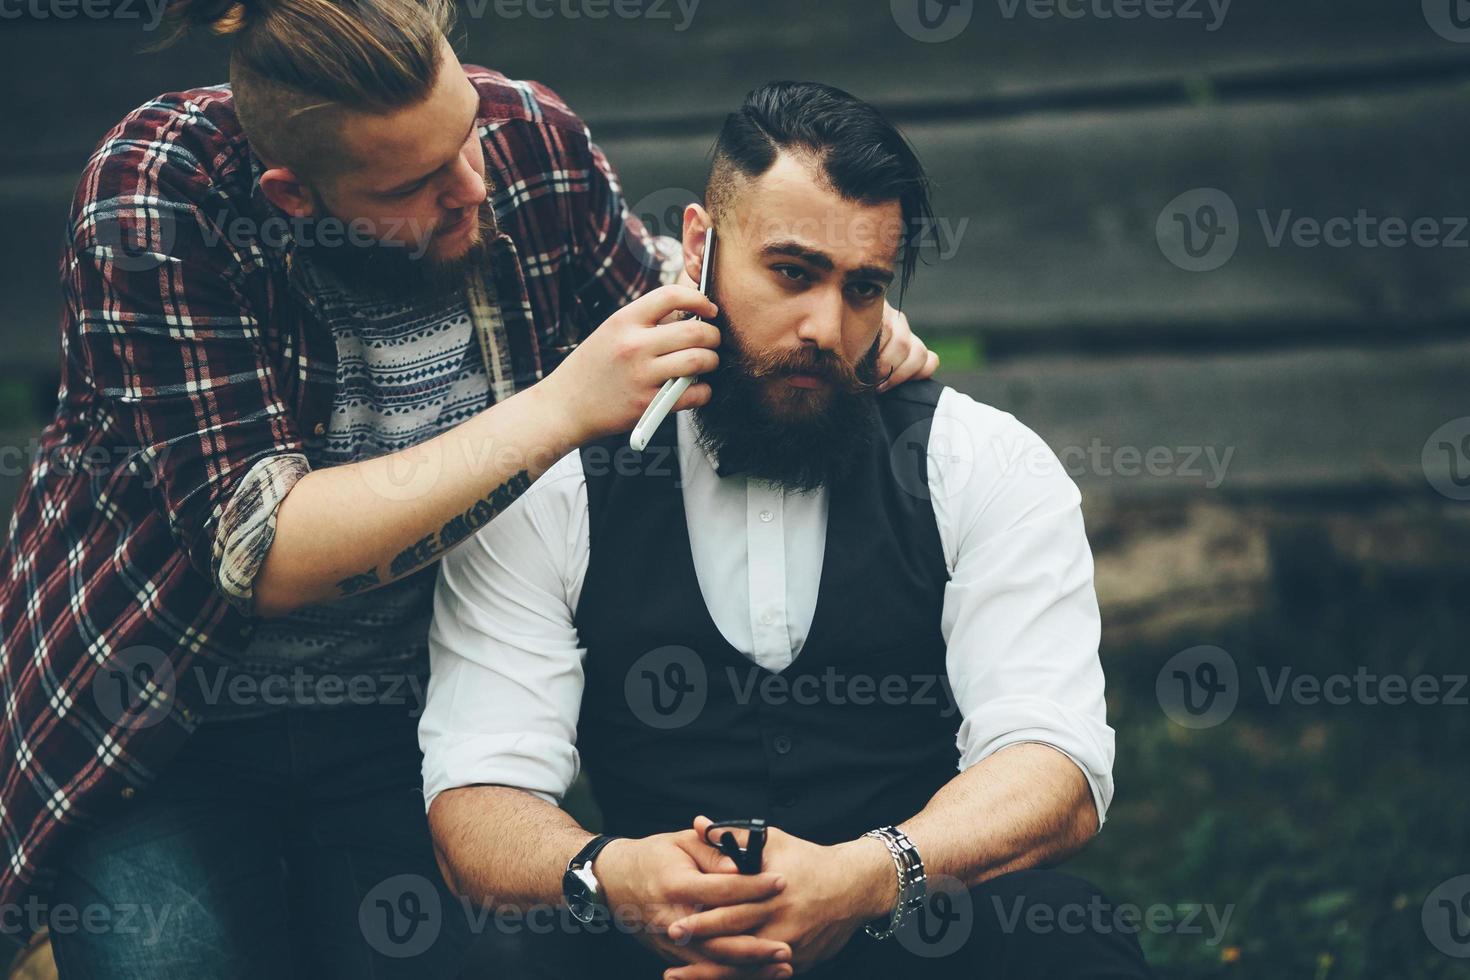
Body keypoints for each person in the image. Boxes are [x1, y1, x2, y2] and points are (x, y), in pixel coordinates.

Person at [0, 2, 940, 975]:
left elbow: (668, 315)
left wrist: (830, 321)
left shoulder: (528, 139)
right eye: (415, 183)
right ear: (294, 195)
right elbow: (263, 549)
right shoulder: (159, 191)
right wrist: (556, 409)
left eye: (466, 138)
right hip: (166, 716)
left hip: (398, 705)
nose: (473, 186)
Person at [422, 81, 1156, 979]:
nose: (824, 326)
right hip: (651, 949)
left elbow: (1055, 768)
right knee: (492, 949)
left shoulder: (983, 462)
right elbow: (476, 798)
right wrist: (614, 876)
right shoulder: (562, 477)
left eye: (864, 289)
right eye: (792, 272)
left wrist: (865, 876)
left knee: (1064, 932)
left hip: (901, 932)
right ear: (698, 247)